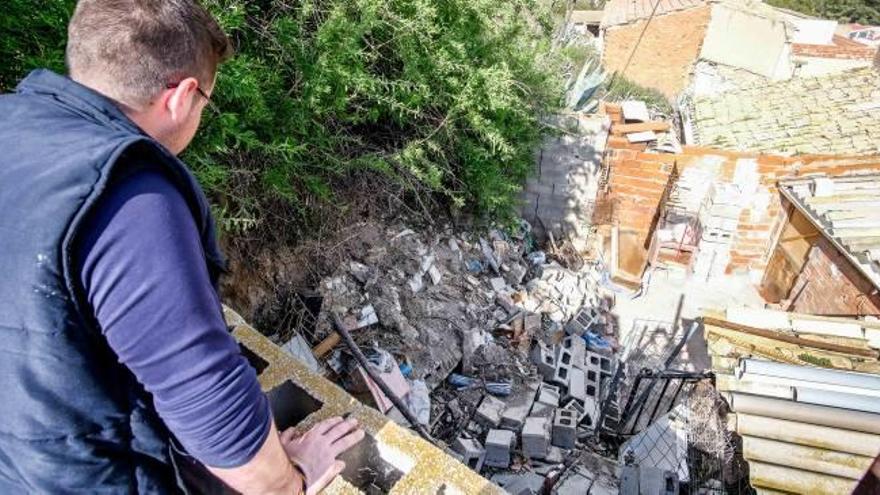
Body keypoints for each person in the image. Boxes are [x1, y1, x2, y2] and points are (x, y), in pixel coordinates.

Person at [0, 0, 363, 493]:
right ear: (183, 95)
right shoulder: (132, 199)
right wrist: (293, 479)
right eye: (205, 101)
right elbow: (208, 398)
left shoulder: (12, 122)